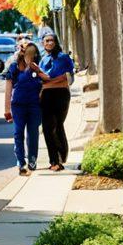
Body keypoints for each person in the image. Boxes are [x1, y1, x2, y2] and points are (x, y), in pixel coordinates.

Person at [4, 41, 43, 175]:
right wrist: (7, 109)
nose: (30, 55)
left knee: (33, 134)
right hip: (18, 106)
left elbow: (45, 83)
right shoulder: (14, 67)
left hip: (34, 106)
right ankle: (21, 162)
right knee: (18, 133)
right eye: (27, 52)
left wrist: (37, 70)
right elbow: (8, 88)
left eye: (33, 53)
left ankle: (32, 159)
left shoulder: (38, 67)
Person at [38, 33, 74, 172]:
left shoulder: (63, 58)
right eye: (46, 41)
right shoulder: (42, 60)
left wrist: (50, 81)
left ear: (56, 42)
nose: (49, 43)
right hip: (46, 96)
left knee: (58, 125)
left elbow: (69, 78)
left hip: (61, 95)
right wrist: (52, 81)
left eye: (52, 40)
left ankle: (62, 156)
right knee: (47, 128)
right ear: (43, 43)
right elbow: (40, 80)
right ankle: (54, 160)